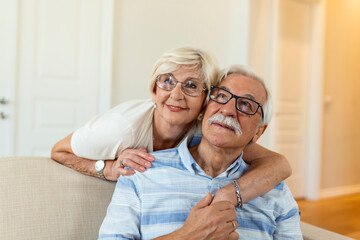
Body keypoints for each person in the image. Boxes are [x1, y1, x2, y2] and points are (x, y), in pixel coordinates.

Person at [51, 47, 291, 205]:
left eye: (191, 85)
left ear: (205, 99)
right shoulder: (119, 129)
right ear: (154, 91)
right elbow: (58, 151)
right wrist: (108, 168)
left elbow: (279, 164)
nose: (176, 95)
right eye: (167, 82)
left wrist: (230, 194)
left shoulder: (205, 130)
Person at [98, 65, 302, 240]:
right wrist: (187, 235)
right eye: (222, 96)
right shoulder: (141, 172)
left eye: (245, 104)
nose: (228, 110)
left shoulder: (276, 190)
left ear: (259, 131)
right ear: (204, 109)